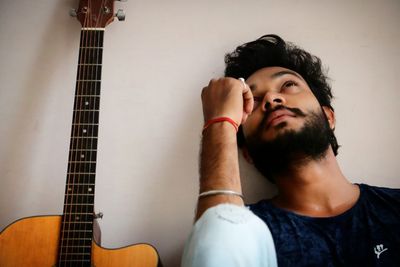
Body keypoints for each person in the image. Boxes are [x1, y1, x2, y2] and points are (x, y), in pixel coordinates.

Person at [182, 34, 400, 266]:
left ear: (328, 116)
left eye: (288, 85)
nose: (271, 98)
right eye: (253, 101)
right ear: (247, 154)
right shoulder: (243, 235)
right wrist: (220, 121)